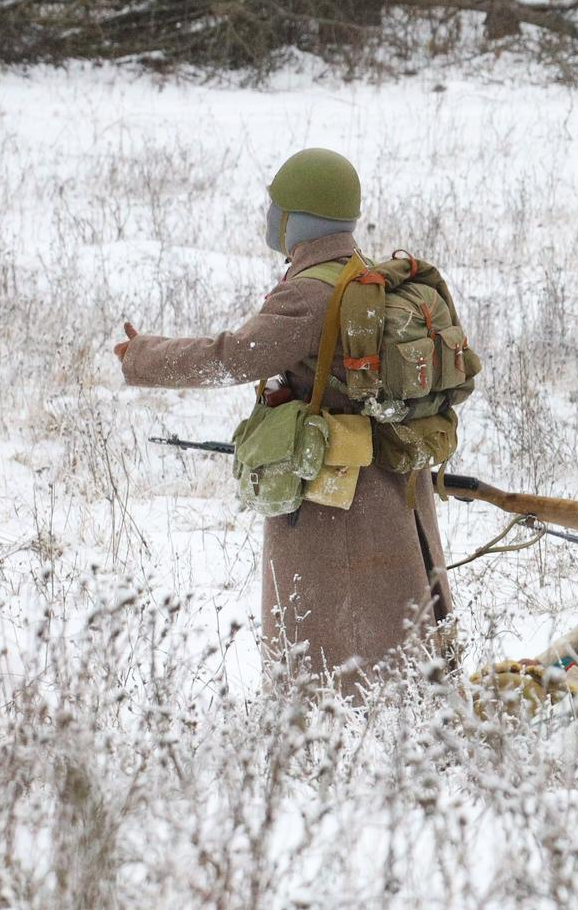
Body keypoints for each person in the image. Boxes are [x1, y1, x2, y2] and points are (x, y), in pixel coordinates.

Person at [115, 148, 459, 695]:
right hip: (391, 476)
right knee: (399, 619)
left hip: (337, 492)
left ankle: (331, 720)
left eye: (275, 206)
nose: (268, 217)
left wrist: (143, 356)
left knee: (332, 632)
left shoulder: (311, 289)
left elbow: (234, 356)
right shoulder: (364, 274)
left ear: (295, 217)